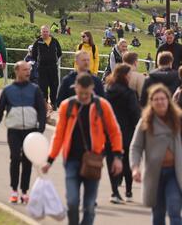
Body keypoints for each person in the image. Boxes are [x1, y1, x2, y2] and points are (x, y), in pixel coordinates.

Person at [43, 73, 124, 225]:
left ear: (92, 89)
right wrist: (50, 159)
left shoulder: (102, 105)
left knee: (89, 206)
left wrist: (118, 157)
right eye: (81, 93)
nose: (84, 96)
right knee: (72, 202)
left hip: (93, 161)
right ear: (76, 89)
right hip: (71, 160)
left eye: (87, 93)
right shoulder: (68, 105)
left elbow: (115, 131)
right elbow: (58, 135)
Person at [0, 61, 47, 205]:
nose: (28, 72)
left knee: (27, 161)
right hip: (14, 130)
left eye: (29, 69)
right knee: (15, 158)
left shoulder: (34, 89)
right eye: (24, 70)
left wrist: (40, 129)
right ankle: (14, 190)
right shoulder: (8, 90)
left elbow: (42, 110)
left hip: (31, 130)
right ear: (17, 71)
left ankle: (24, 192)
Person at [131, 84, 182, 225]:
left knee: (174, 209)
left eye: (163, 99)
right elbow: (136, 147)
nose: (160, 102)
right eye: (156, 99)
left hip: (175, 173)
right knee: (158, 214)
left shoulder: (178, 119)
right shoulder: (145, 122)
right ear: (151, 102)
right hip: (155, 174)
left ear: (168, 100)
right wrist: (135, 168)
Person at [105, 63, 141, 204]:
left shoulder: (107, 91)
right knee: (126, 162)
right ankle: (128, 191)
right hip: (127, 132)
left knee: (111, 160)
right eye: (129, 74)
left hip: (110, 132)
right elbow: (135, 114)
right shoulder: (129, 93)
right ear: (125, 76)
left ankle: (114, 191)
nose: (131, 76)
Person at [31, 25, 63, 108]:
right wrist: (39, 61)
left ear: (49, 32)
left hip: (52, 67)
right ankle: (44, 103)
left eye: (46, 31)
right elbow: (33, 54)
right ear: (41, 32)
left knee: (54, 85)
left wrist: (54, 59)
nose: (45, 33)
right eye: (43, 31)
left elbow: (59, 52)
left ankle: (53, 103)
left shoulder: (54, 41)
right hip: (42, 68)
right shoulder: (38, 41)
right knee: (43, 86)